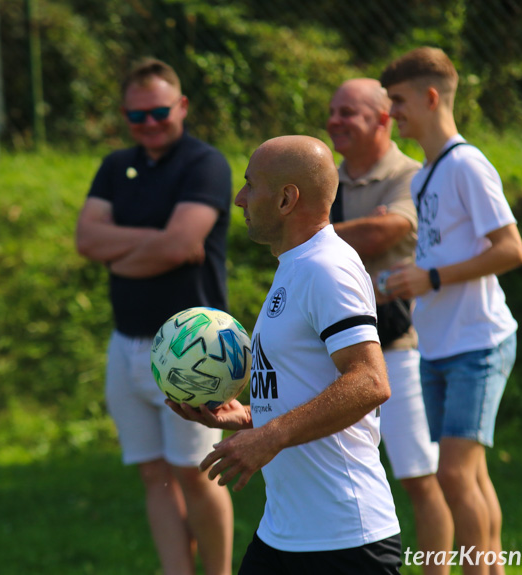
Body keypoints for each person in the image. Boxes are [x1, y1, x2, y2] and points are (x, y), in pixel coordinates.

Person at [169, 135, 402, 574]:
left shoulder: (326, 267)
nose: (239, 199)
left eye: (250, 185)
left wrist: (271, 435)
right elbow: (308, 384)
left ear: (286, 199)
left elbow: (369, 381)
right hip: (285, 533)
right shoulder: (296, 265)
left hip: (345, 539)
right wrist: (247, 420)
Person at [75, 57, 234, 575]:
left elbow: (185, 243)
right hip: (125, 344)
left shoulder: (204, 163)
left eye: (160, 111)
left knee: (196, 472)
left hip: (196, 348)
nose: (149, 123)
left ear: (182, 106)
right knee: (153, 474)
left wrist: (120, 252)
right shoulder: (114, 164)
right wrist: (157, 244)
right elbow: (86, 239)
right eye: (136, 115)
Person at [379, 47, 522, 575]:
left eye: (397, 101)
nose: (391, 112)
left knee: (455, 478)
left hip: (477, 343)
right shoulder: (423, 177)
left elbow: (510, 248)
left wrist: (432, 278)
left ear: (431, 97)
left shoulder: (467, 164)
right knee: (469, 476)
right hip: (437, 344)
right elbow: (439, 252)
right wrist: (404, 281)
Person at [327, 78, 453, 575]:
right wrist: (357, 235)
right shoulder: (329, 178)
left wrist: (317, 233)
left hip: (399, 349)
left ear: (383, 119)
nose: (335, 120)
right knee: (344, 474)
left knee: (420, 478)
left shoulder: (410, 174)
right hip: (340, 354)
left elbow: (390, 229)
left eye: (349, 113)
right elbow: (370, 235)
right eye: (332, 111)